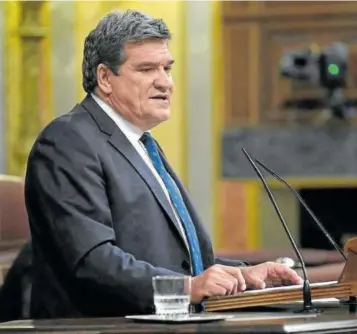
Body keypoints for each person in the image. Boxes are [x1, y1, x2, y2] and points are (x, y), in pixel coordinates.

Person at [24, 9, 303, 319]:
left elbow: (173, 259)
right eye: (146, 69)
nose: (165, 83)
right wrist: (187, 288)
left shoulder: (142, 143)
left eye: (167, 68)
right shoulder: (67, 141)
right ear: (105, 77)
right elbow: (92, 261)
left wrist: (243, 275)